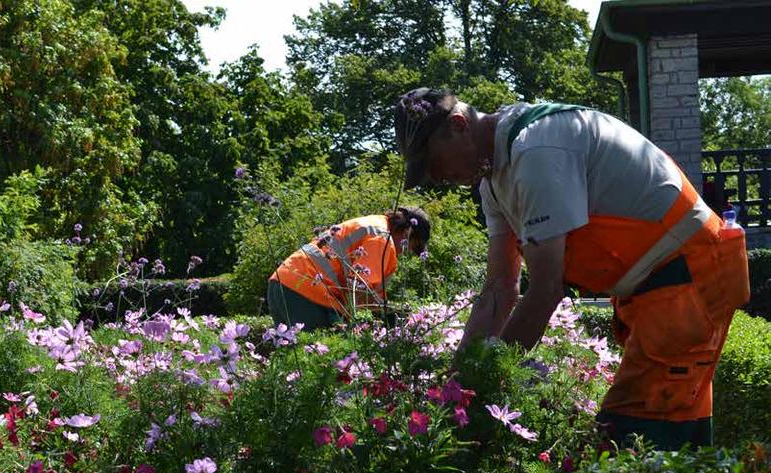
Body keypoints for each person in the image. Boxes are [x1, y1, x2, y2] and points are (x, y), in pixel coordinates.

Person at [394, 88, 750, 450]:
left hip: (687, 276)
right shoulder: (494, 180)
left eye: (432, 162)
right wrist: (455, 384)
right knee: (671, 435)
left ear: (458, 126)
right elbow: (499, 288)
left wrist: (487, 379)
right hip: (657, 287)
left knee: (632, 437)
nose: (435, 177)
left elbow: (547, 291)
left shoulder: (537, 153)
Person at [267, 208, 430, 329]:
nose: (405, 252)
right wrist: (392, 314)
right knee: (325, 364)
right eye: (412, 247)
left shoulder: (374, 223)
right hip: (307, 293)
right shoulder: (382, 239)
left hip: (282, 282)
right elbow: (359, 289)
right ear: (408, 231)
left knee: (292, 362)